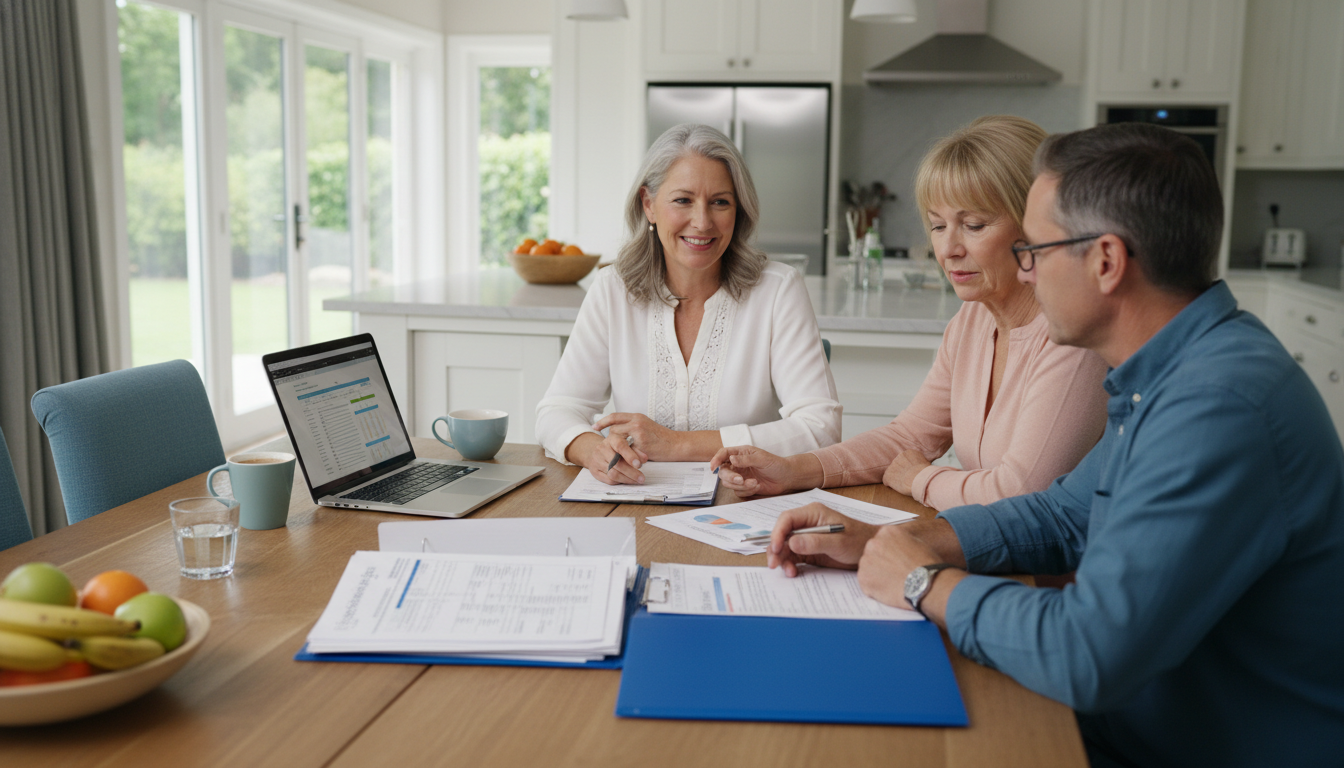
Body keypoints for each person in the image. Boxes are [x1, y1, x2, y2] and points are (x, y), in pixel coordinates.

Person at [761, 123, 1344, 767]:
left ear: (1105, 261)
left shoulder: (1218, 406)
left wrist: (923, 581)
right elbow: (1062, 513)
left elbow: (1088, 654)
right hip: (1138, 720)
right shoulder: (1172, 369)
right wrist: (892, 544)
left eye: (1034, 249)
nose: (1026, 270)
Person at [714, 116, 1107, 511]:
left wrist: (921, 477)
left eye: (973, 225)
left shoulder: (1072, 335)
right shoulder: (972, 322)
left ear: (1036, 225)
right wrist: (793, 470)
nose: (948, 248)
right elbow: (910, 436)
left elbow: (1020, 493)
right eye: (938, 226)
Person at [535, 124, 841, 484]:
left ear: (738, 210)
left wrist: (677, 445)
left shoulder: (778, 290)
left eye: (720, 202)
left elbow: (822, 427)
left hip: (743, 505)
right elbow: (556, 410)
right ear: (649, 205)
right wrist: (592, 449)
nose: (702, 222)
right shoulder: (612, 290)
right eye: (683, 200)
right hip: (634, 502)